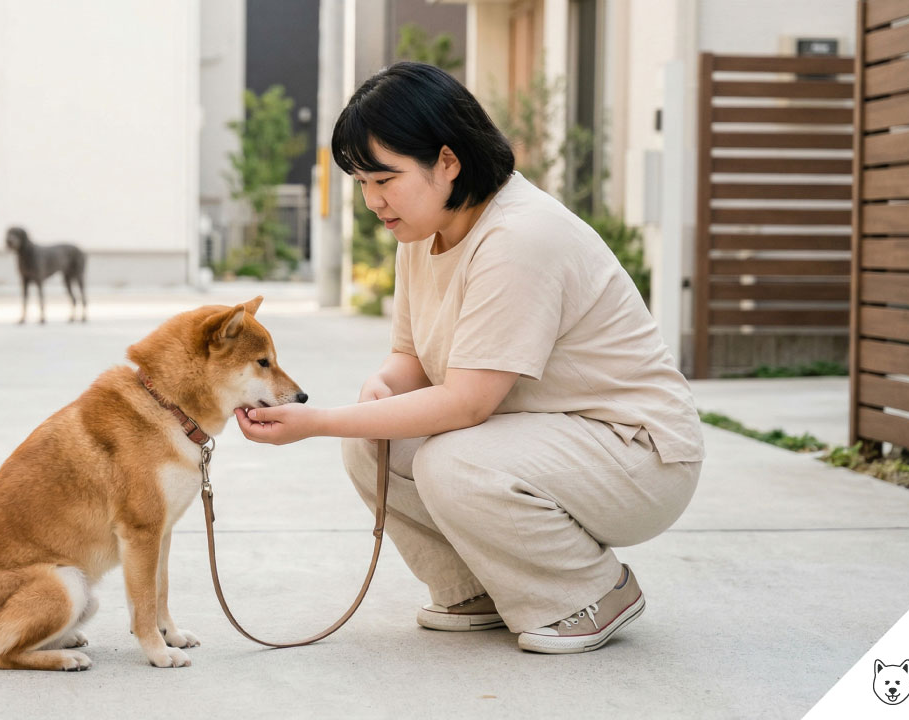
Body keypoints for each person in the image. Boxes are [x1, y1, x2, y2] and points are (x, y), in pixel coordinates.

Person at [233, 62, 705, 655]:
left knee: (454, 461)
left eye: (384, 179)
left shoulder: (518, 237)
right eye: (361, 183)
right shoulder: (423, 229)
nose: (372, 200)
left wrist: (318, 423)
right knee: (372, 441)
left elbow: (466, 402)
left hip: (637, 454)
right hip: (549, 439)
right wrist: (380, 386)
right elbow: (410, 357)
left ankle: (591, 592)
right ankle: (474, 589)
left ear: (448, 162)